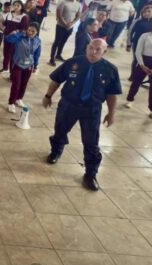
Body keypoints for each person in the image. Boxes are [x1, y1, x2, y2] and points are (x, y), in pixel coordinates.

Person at [44, 39, 121, 191]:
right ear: (86, 48)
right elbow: (56, 80)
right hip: (68, 105)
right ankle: (56, 151)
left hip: (92, 110)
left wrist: (111, 113)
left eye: (98, 49)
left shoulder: (110, 69)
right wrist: (48, 96)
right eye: (91, 48)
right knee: (60, 130)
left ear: (104, 52)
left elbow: (112, 94)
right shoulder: (74, 62)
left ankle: (90, 174)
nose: (93, 52)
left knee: (91, 142)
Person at [5, 22, 42, 113]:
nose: (30, 32)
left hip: (29, 64)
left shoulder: (38, 41)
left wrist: (36, 65)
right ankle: (11, 103)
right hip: (18, 64)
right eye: (29, 30)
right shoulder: (20, 37)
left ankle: (19, 99)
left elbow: (37, 54)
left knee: (24, 83)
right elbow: (8, 39)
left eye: (33, 31)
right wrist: (20, 34)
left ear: (37, 32)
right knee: (16, 84)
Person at [49, 0, 81, 65]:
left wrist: (72, 23)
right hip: (61, 26)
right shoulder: (63, 2)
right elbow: (59, 14)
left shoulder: (78, 4)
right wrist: (65, 23)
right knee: (56, 42)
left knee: (63, 41)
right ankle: (52, 58)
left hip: (70, 27)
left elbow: (78, 16)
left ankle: (58, 55)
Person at [0, 0, 29, 76]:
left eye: (18, 5)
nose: (16, 7)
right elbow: (5, 23)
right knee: (6, 53)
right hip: (6, 36)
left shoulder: (24, 16)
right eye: (14, 5)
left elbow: (24, 29)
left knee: (13, 55)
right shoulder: (10, 14)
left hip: (16, 39)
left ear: (22, 7)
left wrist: (16, 31)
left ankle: (12, 73)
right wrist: (1, 24)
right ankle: (5, 67)